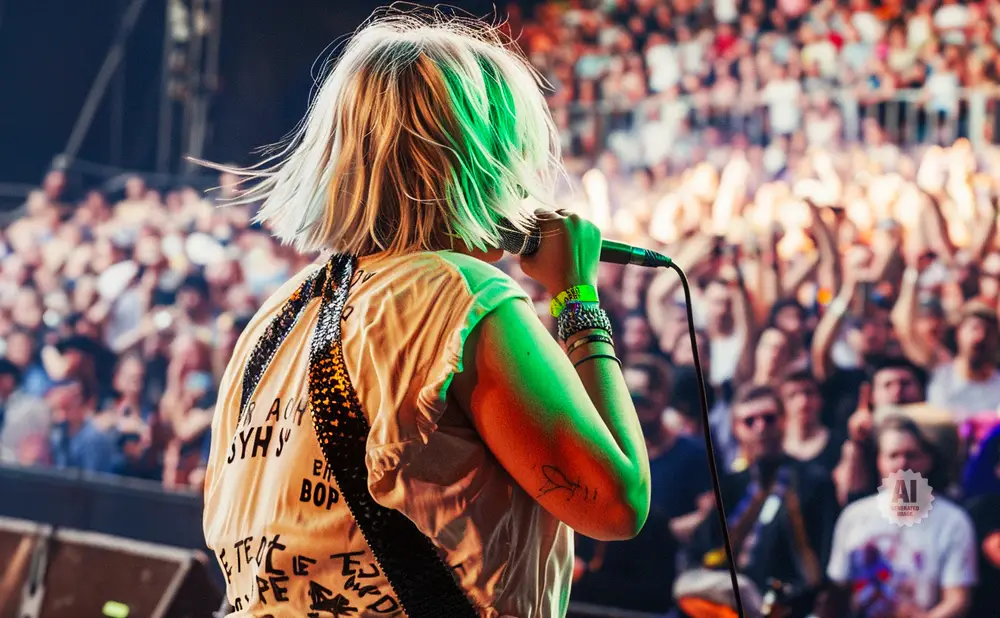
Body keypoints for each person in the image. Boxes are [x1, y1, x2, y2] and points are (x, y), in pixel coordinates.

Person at [201, 10, 651, 617]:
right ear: (483, 159)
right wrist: (576, 295)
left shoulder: (277, 318)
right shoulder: (460, 297)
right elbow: (615, 504)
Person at [683, 384, 838, 617]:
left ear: (785, 421)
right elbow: (703, 545)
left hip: (789, 605)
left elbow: (824, 559)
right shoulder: (732, 485)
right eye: (749, 421)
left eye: (769, 418)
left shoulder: (813, 482)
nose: (760, 427)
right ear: (736, 429)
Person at [823, 416, 978, 618]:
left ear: (928, 460)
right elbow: (837, 588)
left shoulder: (953, 522)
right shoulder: (854, 516)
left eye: (911, 455)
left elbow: (958, 599)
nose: (903, 463)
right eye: (893, 455)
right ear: (879, 461)